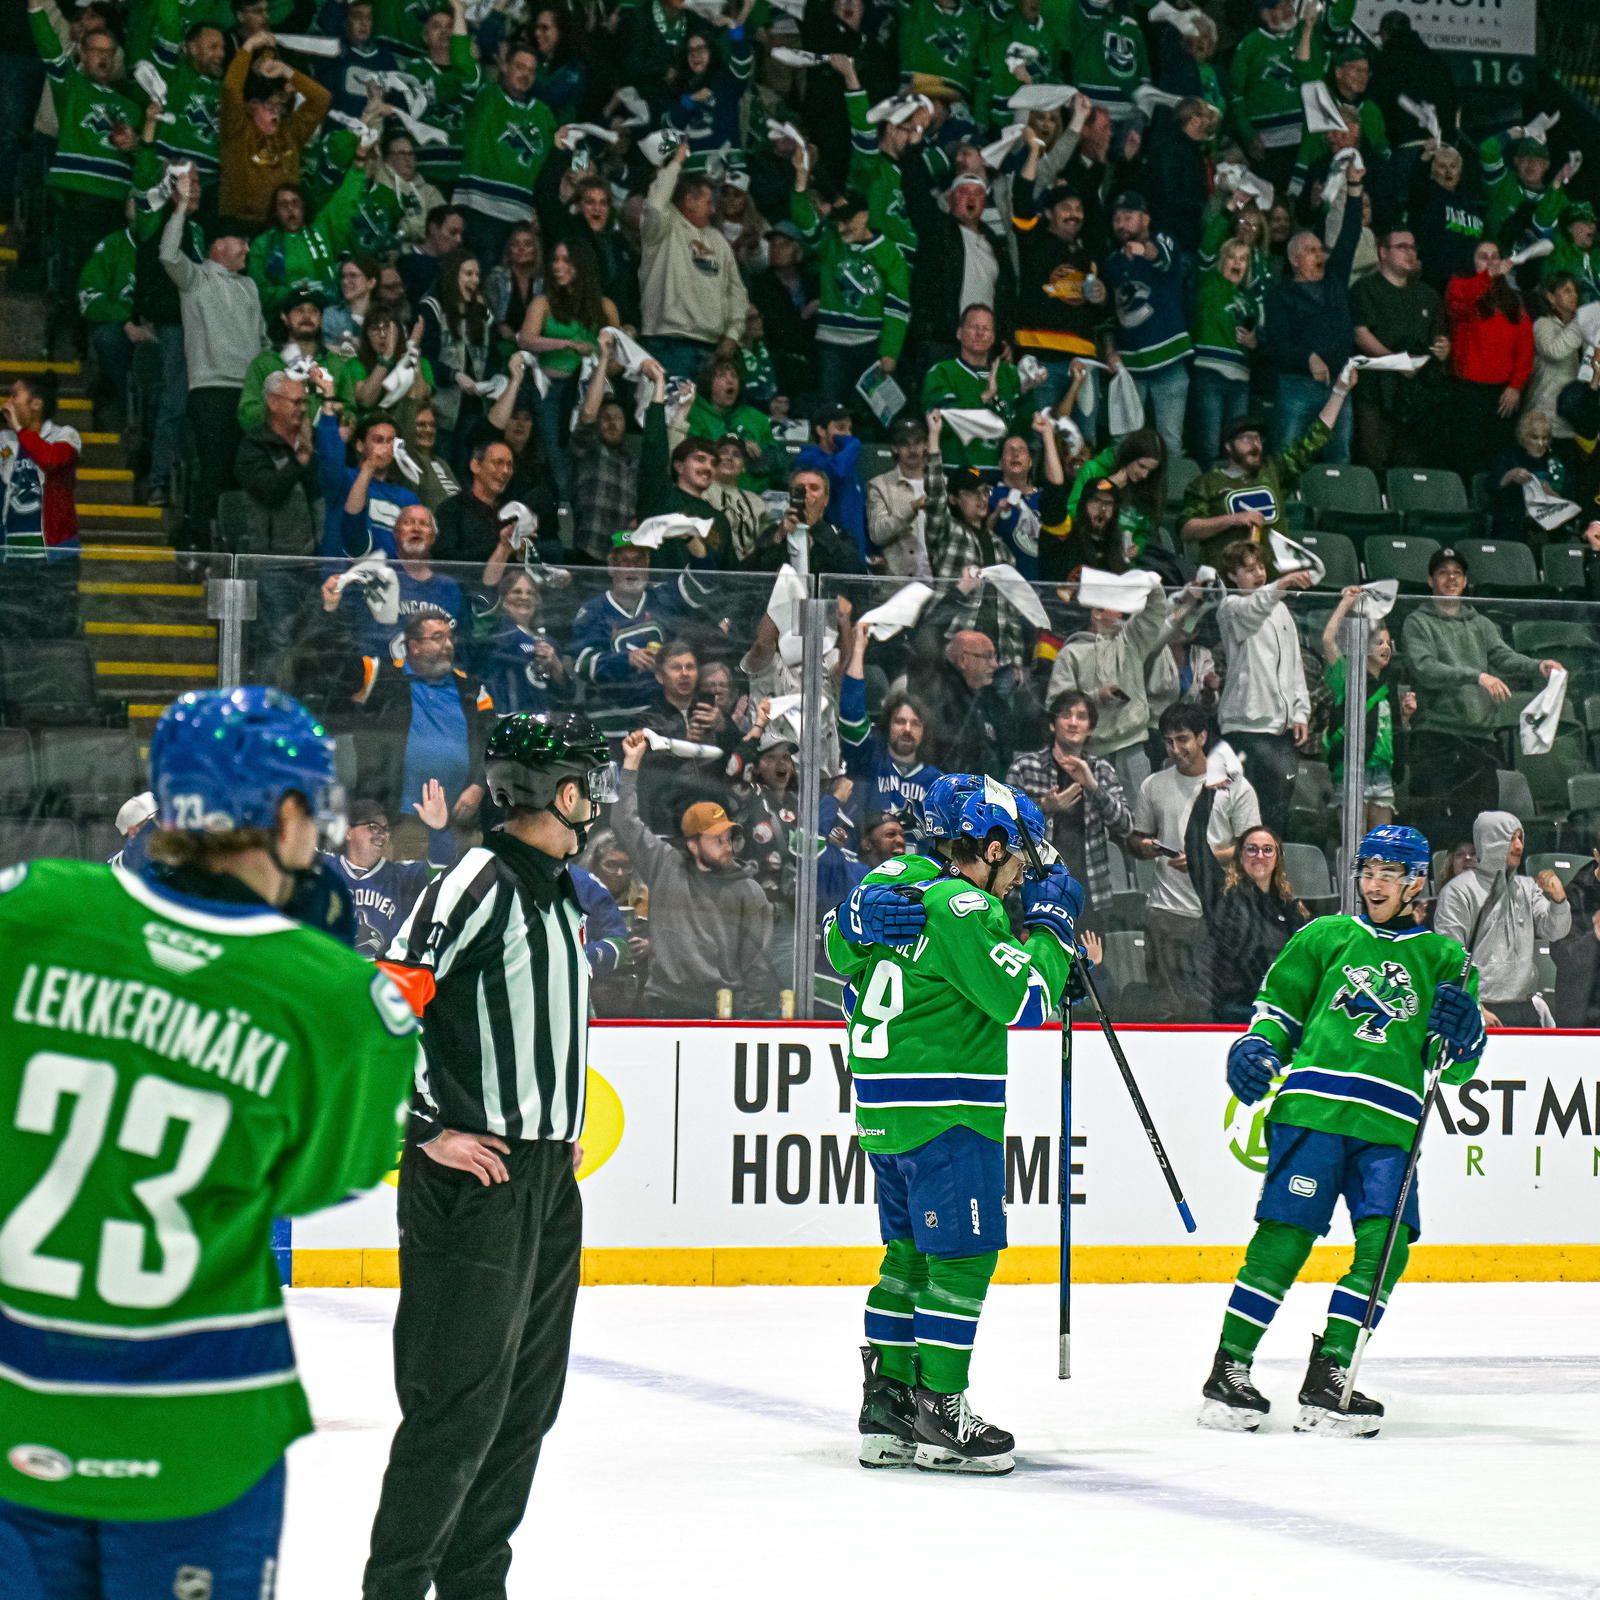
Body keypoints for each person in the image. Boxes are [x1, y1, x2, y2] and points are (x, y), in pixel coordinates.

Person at [0, 686, 416, 1598]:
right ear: (291, 813)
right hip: (204, 1430)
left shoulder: (26, 914)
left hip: (17, 1407)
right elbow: (326, 1179)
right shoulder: (338, 998)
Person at [364, 713, 614, 1600]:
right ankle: (394, 1587)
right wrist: (427, 1124)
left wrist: (557, 1121)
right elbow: (389, 1002)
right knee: (456, 1407)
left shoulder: (560, 889)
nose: (600, 793)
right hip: (476, 1184)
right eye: (590, 777)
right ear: (560, 793)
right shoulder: (477, 878)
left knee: (523, 1407)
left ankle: (476, 1585)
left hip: (544, 1178)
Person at [824, 782, 1077, 1473]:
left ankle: (888, 1412)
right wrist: (1054, 936)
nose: (1025, 869)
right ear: (990, 845)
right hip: (949, 1111)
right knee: (962, 1259)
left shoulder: (896, 879)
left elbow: (836, 947)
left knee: (905, 1259)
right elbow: (1024, 1002)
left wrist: (847, 916)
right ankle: (942, 1411)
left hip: (884, 1112)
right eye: (1019, 854)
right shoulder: (966, 907)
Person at [1202, 824, 1486, 1438]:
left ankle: (1331, 1372)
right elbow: (1276, 1012)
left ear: (1417, 883)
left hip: (1390, 1125)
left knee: (1387, 1248)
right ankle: (1229, 1369)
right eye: (1368, 869)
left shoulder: (1447, 961)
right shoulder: (1324, 935)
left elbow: (1453, 1065)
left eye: (1390, 872)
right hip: (1314, 1113)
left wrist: (1468, 1034)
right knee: (1285, 1238)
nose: (1374, 882)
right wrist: (1254, 1046)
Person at [1401, 546, 1560, 851]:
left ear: (1465, 580)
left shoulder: (1481, 624)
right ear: (1430, 580)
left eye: (1457, 573)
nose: (1451, 578)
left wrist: (1537, 666)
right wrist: (1477, 676)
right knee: (1434, 826)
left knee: (1477, 829)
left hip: (1480, 739)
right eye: (1443, 573)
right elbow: (1426, 668)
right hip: (1436, 737)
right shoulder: (1417, 622)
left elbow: (1503, 655)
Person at [613, 729, 780, 1018]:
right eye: (716, 839)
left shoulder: (749, 891)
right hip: (663, 1003)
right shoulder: (665, 865)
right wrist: (631, 764)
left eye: (728, 837)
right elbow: (624, 821)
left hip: (722, 1009)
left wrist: (753, 1020)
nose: (727, 845)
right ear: (692, 844)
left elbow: (758, 966)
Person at [1129, 702, 1263, 1023]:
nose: (1175, 749)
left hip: (1216, 915)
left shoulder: (1235, 787)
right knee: (1163, 1011)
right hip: (1165, 913)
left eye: (1182, 739)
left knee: (1204, 1013)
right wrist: (1143, 846)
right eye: (1168, 741)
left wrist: (1205, 860)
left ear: (1202, 737)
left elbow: (1253, 850)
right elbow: (1137, 838)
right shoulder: (1153, 785)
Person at [160, 170, 264, 550]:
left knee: (243, 474)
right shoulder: (197, 279)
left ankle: (234, 546)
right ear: (219, 245)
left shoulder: (250, 286)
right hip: (211, 391)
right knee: (215, 469)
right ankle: (198, 540)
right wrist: (182, 210)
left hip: (249, 394)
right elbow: (168, 254)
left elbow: (263, 340)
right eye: (243, 242)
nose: (248, 250)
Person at [1179, 371, 1357, 568]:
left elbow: (1313, 440)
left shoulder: (1274, 472)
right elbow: (1188, 530)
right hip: (1226, 581)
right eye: (1246, 438)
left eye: (1257, 439)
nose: (1255, 444)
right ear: (1228, 447)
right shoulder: (1206, 483)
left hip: (1272, 582)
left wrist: (1339, 391)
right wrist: (1233, 519)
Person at [1006, 689, 1132, 933]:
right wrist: (1044, 808)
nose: (1074, 722)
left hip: (1089, 893)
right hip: (1035, 890)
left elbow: (1126, 825)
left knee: (1091, 968)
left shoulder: (1101, 770)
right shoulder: (1025, 768)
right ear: (1053, 725)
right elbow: (1004, 829)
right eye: (1066, 715)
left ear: (1091, 728)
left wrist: (1093, 786)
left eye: (1082, 717)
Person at [1434, 810, 1571, 1027]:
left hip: (1524, 1008)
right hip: (1480, 1008)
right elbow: (1450, 954)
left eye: (1520, 838)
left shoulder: (1527, 887)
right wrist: (1473, 1004)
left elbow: (1556, 931)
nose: (1519, 846)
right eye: (1511, 838)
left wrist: (1558, 899)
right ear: (1491, 842)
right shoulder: (1458, 891)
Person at [1215, 541, 1313, 839]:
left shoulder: (1280, 609)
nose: (1258, 573)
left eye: (1260, 567)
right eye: (1248, 569)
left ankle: (1271, 881)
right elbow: (1254, 608)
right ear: (1232, 576)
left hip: (1280, 730)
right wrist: (1280, 584)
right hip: (1245, 727)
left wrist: (1301, 712)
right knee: (1246, 816)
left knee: (1277, 815)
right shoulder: (1230, 608)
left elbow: (1295, 664)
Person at [1262, 182, 1364, 464]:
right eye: (1311, 251)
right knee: (1286, 456)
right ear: (1294, 260)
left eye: (1320, 250)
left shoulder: (1335, 282)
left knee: (1338, 457)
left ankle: (1334, 509)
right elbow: (1277, 342)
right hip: (1297, 386)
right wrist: (1308, 357)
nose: (1319, 255)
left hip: (1338, 386)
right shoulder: (1279, 295)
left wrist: (1354, 188)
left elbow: (1349, 235)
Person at [641, 141, 748, 383]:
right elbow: (656, 205)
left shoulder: (718, 240)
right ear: (689, 200)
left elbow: (736, 292)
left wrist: (732, 334)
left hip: (711, 350)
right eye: (707, 202)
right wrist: (677, 163)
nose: (713, 210)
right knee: (670, 415)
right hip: (669, 345)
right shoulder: (663, 229)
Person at [1349, 228, 1453, 472]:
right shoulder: (1365, 288)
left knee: (1410, 461)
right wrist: (1396, 362)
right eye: (1402, 247)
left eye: (1413, 247)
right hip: (1375, 388)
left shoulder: (1428, 294)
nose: (1410, 252)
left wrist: (1444, 348)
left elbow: (1439, 336)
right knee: (1373, 456)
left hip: (1416, 393)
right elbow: (1361, 334)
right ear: (1382, 252)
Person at [1102, 190, 1193, 463]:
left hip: (1168, 359)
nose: (1121, 224)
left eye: (1128, 217)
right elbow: (1107, 316)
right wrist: (1108, 351)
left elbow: (1163, 259)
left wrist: (1144, 250)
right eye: (1117, 218)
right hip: (1129, 367)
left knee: (1171, 445)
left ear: (1145, 219)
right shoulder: (1111, 262)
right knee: (1123, 445)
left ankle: (1172, 504)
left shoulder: (1163, 240)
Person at [1320, 587, 1414, 830]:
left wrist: (1405, 717)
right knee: (1356, 848)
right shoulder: (1347, 675)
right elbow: (1328, 640)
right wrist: (1346, 603)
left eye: (1388, 643)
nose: (1386, 647)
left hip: (1382, 774)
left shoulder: (1390, 685)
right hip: (1352, 770)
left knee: (1379, 853)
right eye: (1378, 642)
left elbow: (1392, 732)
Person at [218, 31, 332, 228]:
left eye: (279, 107)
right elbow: (231, 89)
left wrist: (286, 71)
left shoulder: (290, 133)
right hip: (241, 224)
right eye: (270, 106)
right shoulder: (237, 129)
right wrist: (249, 46)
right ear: (253, 106)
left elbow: (322, 99)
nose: (276, 112)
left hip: (281, 228)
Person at [1201, 824, 1309, 1023]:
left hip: (1279, 1009)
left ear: (1277, 858)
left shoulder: (1290, 909)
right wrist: (1206, 798)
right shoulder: (1224, 898)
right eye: (1252, 849)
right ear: (1240, 856)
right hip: (1235, 1010)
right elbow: (1197, 850)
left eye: (1267, 850)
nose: (1259, 855)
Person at [1446, 241, 1534, 483]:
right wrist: (1488, 275)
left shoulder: (1513, 301)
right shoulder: (1460, 286)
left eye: (1495, 256)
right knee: (1466, 454)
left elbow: (1525, 346)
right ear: (1471, 261)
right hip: (1468, 389)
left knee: (1498, 455)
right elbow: (1461, 300)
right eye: (1483, 257)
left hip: (1503, 391)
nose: (1491, 261)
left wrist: (1516, 385)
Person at [329, 788, 454, 957]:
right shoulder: (325, 867)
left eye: (385, 829)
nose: (382, 835)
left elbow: (442, 875)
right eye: (373, 827)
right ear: (348, 831)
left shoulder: (402, 876)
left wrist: (440, 830)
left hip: (382, 974)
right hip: (330, 968)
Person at [866, 416, 934, 579]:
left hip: (940, 582)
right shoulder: (879, 485)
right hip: (900, 586)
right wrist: (911, 508)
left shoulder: (941, 483)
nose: (912, 449)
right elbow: (877, 534)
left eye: (917, 442)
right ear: (895, 448)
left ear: (926, 444)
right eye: (904, 443)